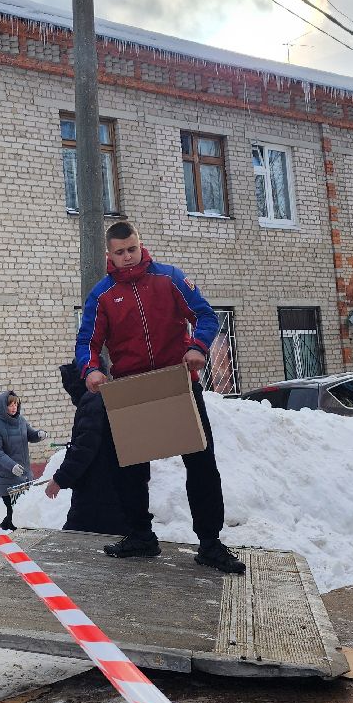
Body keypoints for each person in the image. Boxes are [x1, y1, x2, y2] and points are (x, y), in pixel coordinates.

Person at [74, 221, 246, 574]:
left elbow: (205, 315)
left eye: (132, 249)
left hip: (177, 382)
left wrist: (198, 347)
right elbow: (87, 342)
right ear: (110, 255)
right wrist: (91, 368)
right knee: (130, 470)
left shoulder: (169, 278)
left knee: (201, 462)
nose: (127, 257)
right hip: (132, 389)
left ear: (141, 245)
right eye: (120, 252)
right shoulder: (102, 295)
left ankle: (210, 544)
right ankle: (141, 536)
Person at [46, 363, 152, 537]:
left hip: (96, 489)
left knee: (73, 540)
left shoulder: (92, 400)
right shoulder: (112, 397)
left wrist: (59, 479)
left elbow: (83, 448)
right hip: (115, 486)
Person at [0, 390, 43, 531]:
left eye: (16, 404)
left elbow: (31, 435)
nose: (14, 408)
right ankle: (10, 540)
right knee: (14, 512)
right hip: (6, 476)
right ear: (2, 406)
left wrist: (39, 435)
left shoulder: (21, 421)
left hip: (23, 474)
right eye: (10, 405)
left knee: (17, 511)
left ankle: (0, 534)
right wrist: (12, 466)